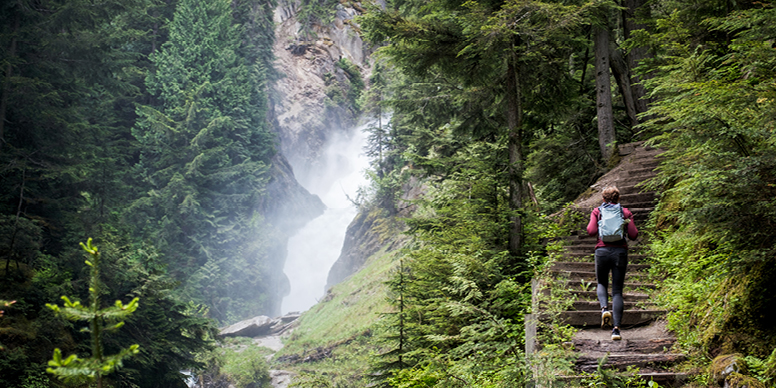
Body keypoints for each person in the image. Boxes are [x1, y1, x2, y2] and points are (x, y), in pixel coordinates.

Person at [586, 186, 638, 341]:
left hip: (602, 251)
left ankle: (604, 310)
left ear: (603, 199)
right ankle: (616, 330)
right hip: (620, 253)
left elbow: (591, 231)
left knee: (601, 282)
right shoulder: (625, 212)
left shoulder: (597, 211)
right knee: (617, 291)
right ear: (618, 198)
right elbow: (634, 235)